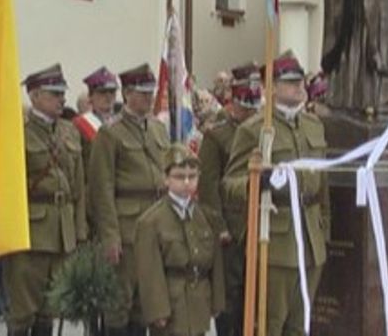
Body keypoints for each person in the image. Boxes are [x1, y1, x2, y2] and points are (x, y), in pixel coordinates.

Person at [224, 54, 329, 336]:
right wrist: (257, 180)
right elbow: (230, 183)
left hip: (310, 239)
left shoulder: (313, 125)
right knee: (270, 324)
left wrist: (324, 231)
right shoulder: (255, 129)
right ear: (271, 87)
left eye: (300, 82)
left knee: (300, 326)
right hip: (276, 239)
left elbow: (322, 184)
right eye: (290, 82)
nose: (299, 87)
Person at [2, 64, 87, 336]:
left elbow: (79, 187)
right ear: (34, 95)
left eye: (62, 94)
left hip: (63, 230)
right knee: (23, 310)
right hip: (30, 231)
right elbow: (7, 184)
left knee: (51, 307)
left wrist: (79, 231)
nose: (62, 99)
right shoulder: (18, 131)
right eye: (54, 93)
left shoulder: (69, 131)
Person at [88, 64, 170, 336]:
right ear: (128, 93)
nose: (149, 98)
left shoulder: (158, 130)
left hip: (155, 224)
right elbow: (102, 188)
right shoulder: (110, 133)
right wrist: (110, 236)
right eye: (142, 93)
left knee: (144, 304)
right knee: (119, 304)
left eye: (151, 92)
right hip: (127, 228)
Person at [136, 144, 224, 336]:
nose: (186, 182)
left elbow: (215, 264)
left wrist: (217, 301)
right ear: (166, 179)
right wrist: (158, 310)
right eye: (178, 176)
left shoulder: (206, 216)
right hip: (171, 303)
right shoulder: (151, 221)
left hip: (199, 301)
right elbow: (150, 272)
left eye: (192, 176)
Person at [197, 66, 260, 336]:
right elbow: (209, 185)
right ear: (234, 104)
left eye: (254, 107)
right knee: (230, 292)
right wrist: (219, 225)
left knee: (254, 288)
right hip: (231, 225)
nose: (251, 113)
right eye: (246, 107)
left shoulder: (262, 132)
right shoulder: (217, 136)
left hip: (257, 219)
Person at [74, 67, 119, 170]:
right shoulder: (80, 124)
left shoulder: (122, 122)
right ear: (90, 96)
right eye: (102, 92)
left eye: (112, 92)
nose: (108, 96)